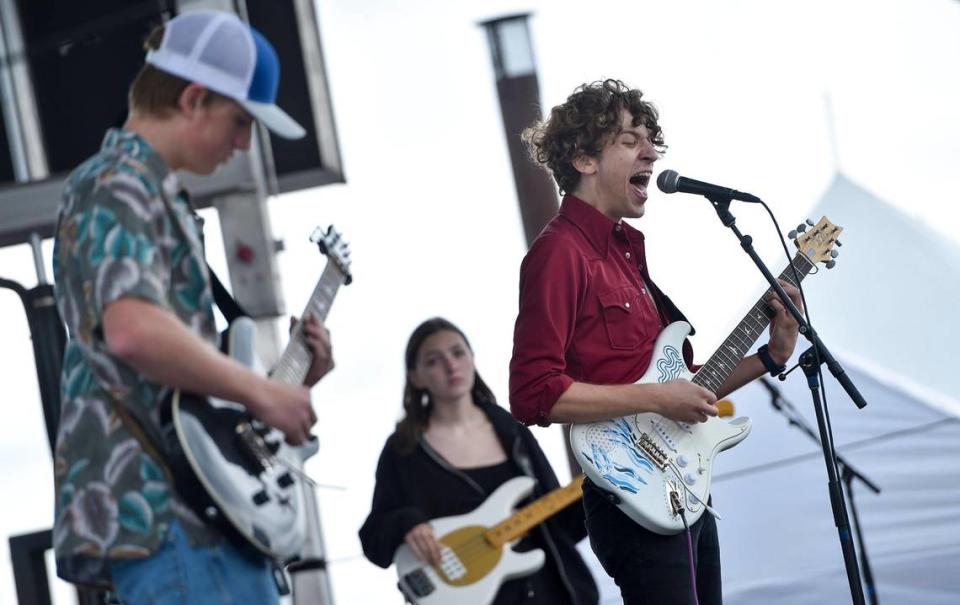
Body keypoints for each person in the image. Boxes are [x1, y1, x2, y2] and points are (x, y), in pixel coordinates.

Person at [51, 10, 333, 604]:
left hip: (196, 512)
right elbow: (132, 329)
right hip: (168, 515)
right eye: (239, 121)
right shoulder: (118, 182)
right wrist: (262, 392)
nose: (242, 143)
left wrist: (290, 380)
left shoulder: (147, 188)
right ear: (195, 98)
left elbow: (176, 383)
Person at [508, 79, 803, 605]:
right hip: (628, 496)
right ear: (583, 158)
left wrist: (771, 355)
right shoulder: (559, 254)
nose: (650, 152)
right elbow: (533, 393)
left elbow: (685, 387)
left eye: (650, 140)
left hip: (681, 491)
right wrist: (656, 398)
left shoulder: (627, 254)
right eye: (629, 140)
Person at [359, 317, 599, 604]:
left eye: (458, 352)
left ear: (472, 358)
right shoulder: (403, 449)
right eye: (434, 360)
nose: (451, 365)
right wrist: (406, 524)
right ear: (415, 377)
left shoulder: (512, 431)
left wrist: (600, 489)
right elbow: (373, 539)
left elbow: (560, 527)